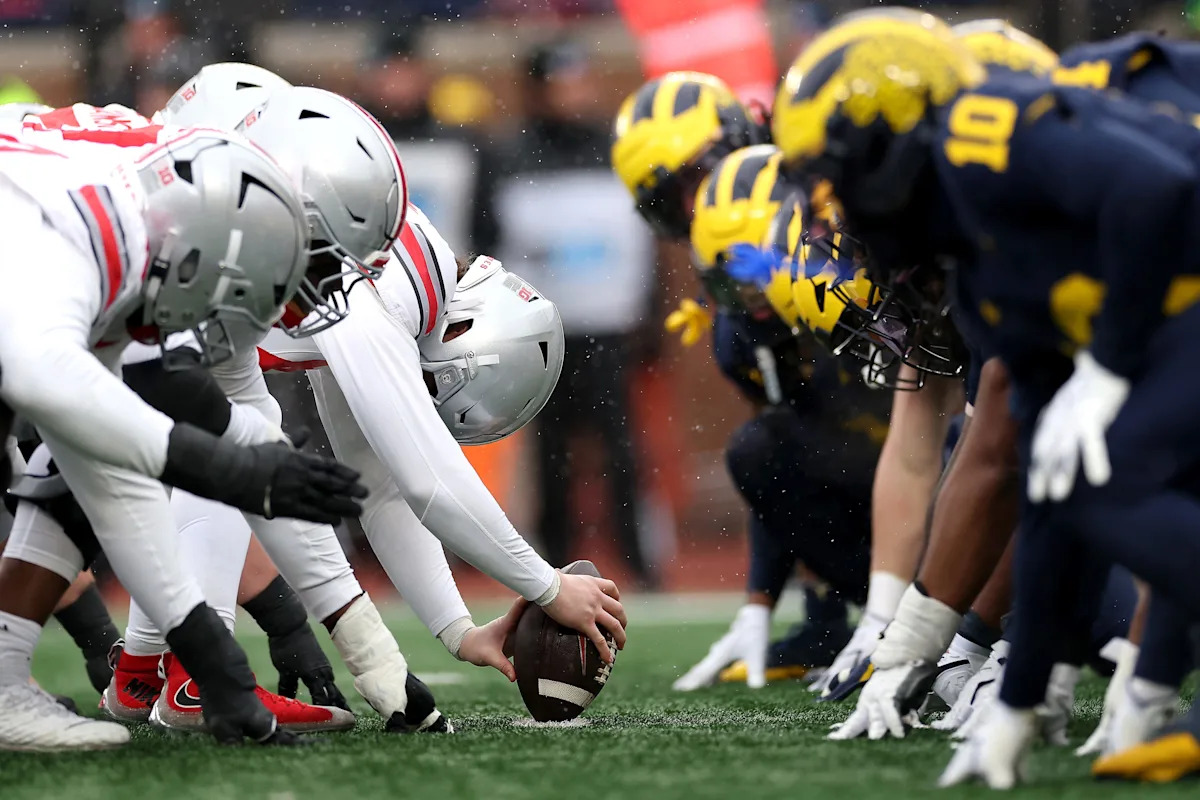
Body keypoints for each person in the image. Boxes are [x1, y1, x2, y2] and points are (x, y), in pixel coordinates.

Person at [770, 8, 1200, 787]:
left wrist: (1105, 368)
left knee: (1115, 470)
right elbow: (1037, 487)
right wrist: (1024, 688)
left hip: (1174, 277)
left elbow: (1163, 191)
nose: (839, 212)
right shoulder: (987, 248)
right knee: (1079, 476)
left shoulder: (989, 141)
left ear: (895, 143)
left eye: (837, 175)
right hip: (1167, 287)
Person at [0, 121, 365, 751]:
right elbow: (42, 377)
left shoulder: (127, 235)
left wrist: (216, 666)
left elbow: (106, 470)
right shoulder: (80, 234)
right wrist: (229, 470)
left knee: (77, 458)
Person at [498, 38, 657, 587]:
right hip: (542, 331)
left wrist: (648, 315)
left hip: (608, 327)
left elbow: (643, 240)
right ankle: (556, 559)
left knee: (621, 445)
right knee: (551, 450)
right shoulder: (510, 154)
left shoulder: (614, 149)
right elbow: (491, 243)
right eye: (561, 84)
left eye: (580, 81)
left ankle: (638, 557)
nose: (574, 95)